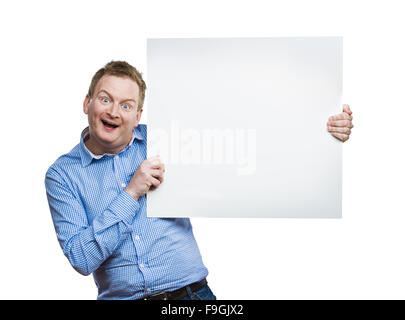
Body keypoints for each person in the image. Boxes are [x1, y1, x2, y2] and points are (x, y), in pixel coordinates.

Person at [45, 60, 353, 300]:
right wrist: (131, 192)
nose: (114, 112)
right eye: (105, 99)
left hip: (192, 297)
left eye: (126, 105)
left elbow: (253, 137)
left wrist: (323, 128)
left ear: (138, 116)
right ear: (87, 104)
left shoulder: (169, 139)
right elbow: (82, 258)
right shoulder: (62, 175)